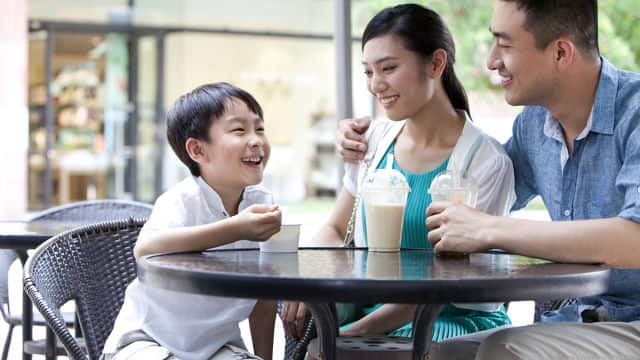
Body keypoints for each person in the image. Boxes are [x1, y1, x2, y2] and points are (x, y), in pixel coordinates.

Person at [338, 0, 640, 358]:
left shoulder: (633, 113)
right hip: (577, 320)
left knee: (504, 350)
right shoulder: (534, 128)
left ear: (560, 52)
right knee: (444, 354)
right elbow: (479, 182)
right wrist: (364, 145)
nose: (491, 61)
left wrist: (490, 229)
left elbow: (633, 240)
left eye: (505, 44)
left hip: (632, 323)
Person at [281, 3, 516, 354]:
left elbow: (444, 284)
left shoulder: (484, 161)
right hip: (371, 311)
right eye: (368, 72)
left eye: (388, 68)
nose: (376, 84)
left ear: (436, 64)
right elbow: (333, 229)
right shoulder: (372, 142)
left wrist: (347, 336)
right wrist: (309, 281)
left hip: (447, 318)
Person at [102, 82, 281, 360]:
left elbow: (264, 295)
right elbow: (145, 248)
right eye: (239, 130)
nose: (256, 140)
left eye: (259, 129)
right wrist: (235, 228)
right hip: (147, 342)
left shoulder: (261, 203)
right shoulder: (183, 199)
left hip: (217, 347)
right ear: (198, 150)